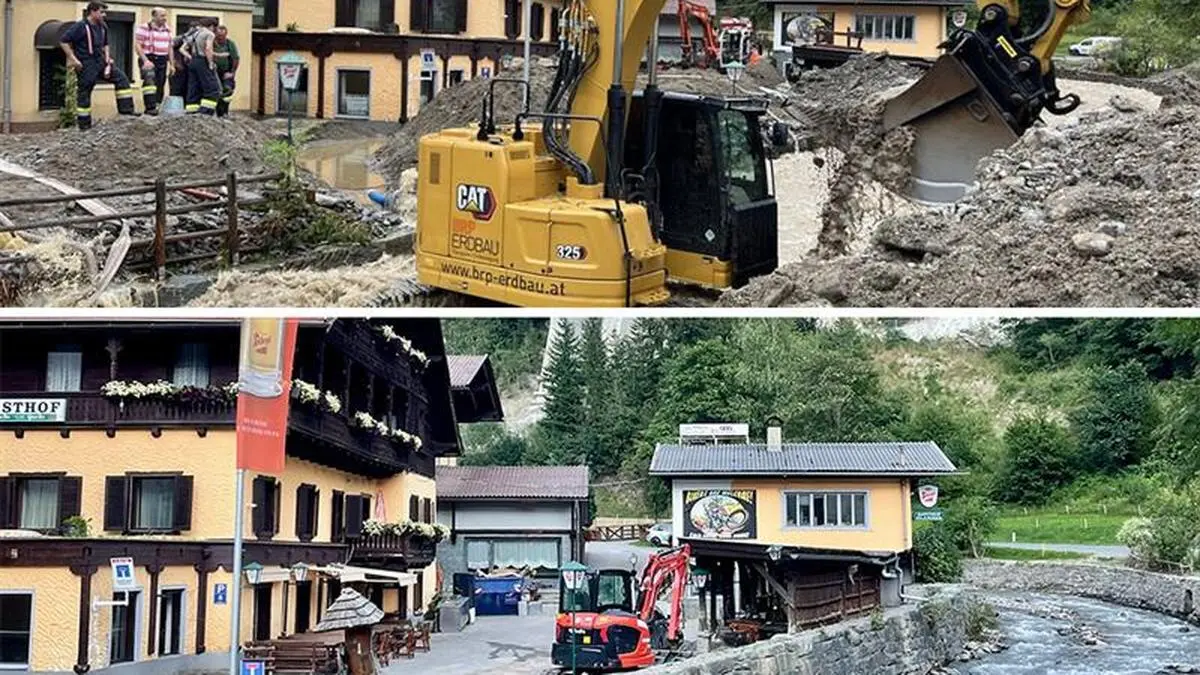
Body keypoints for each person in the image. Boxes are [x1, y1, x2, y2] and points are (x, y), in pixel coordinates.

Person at [59, 2, 138, 130]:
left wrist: (107, 59)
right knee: (85, 90)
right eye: (101, 12)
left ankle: (126, 111)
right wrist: (74, 59)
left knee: (121, 78)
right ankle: (84, 124)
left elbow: (106, 44)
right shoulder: (80, 26)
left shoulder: (103, 26)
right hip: (86, 62)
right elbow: (64, 41)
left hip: (100, 61)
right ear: (92, 12)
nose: (104, 15)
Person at [134, 7, 172, 114]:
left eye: (165, 15)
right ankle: (150, 108)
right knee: (150, 82)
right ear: (154, 16)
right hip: (148, 58)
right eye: (162, 16)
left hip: (162, 59)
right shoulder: (144, 28)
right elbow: (137, 45)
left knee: (160, 83)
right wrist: (145, 60)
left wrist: (172, 64)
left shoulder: (167, 29)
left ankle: (158, 106)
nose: (164, 18)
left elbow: (170, 47)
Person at [180, 17, 221, 116]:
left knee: (194, 87)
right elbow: (208, 48)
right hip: (203, 61)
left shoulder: (195, 33)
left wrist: (189, 57)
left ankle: (191, 111)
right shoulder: (209, 34)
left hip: (193, 61)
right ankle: (205, 112)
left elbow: (182, 49)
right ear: (211, 26)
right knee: (213, 88)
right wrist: (210, 63)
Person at [212, 24, 240, 117]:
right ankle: (216, 112)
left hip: (226, 72)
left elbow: (235, 59)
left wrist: (232, 73)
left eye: (223, 36)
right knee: (214, 91)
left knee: (227, 90)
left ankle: (224, 112)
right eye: (219, 35)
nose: (221, 38)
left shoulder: (230, 44)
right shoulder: (211, 43)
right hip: (214, 72)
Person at [170, 21, 198, 112]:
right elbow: (170, 48)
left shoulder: (197, 40)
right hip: (179, 69)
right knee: (177, 91)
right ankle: (174, 110)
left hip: (190, 69)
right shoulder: (181, 38)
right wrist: (174, 62)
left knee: (189, 90)